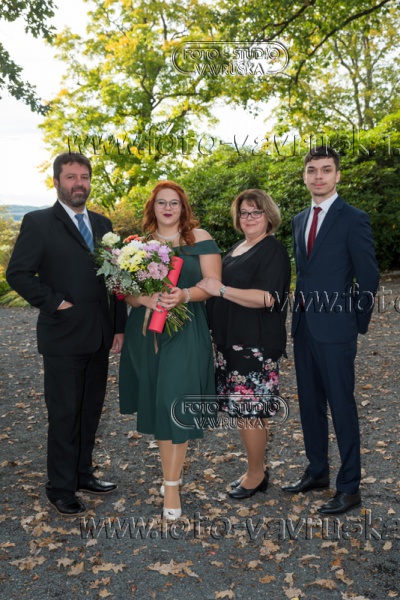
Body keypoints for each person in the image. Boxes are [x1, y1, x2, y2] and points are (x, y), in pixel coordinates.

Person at [6, 152, 127, 517]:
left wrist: (118, 326)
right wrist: (56, 302)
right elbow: (18, 274)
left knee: (90, 411)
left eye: (84, 177)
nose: (79, 184)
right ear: (57, 181)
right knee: (64, 414)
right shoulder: (39, 222)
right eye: (71, 177)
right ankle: (60, 487)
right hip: (63, 335)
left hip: (99, 334)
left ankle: (82, 474)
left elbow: (115, 279)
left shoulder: (103, 224)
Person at [282, 146, 380, 515]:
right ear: (304, 176)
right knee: (310, 405)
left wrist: (356, 322)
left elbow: (368, 276)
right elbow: (305, 274)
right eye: (312, 170)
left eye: (326, 170)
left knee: (341, 406)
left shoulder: (353, 218)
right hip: (304, 326)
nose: (318, 176)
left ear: (337, 175)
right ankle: (317, 471)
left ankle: (349, 487)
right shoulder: (298, 220)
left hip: (336, 328)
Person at [119, 181, 221, 521]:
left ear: (183, 207)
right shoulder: (137, 245)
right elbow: (125, 292)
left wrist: (184, 295)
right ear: (153, 207)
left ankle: (172, 485)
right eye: (161, 202)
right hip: (145, 333)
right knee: (158, 402)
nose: (167, 208)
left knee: (173, 401)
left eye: (174, 203)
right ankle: (169, 475)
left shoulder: (200, 238)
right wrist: (143, 298)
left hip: (186, 328)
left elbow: (212, 284)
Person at [197, 189, 291, 500]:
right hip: (231, 343)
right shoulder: (239, 247)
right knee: (249, 411)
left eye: (255, 212)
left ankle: (255, 475)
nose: (248, 217)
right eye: (243, 212)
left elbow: (267, 298)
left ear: (268, 216)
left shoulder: (272, 249)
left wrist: (221, 290)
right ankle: (257, 469)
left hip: (253, 345)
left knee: (249, 412)